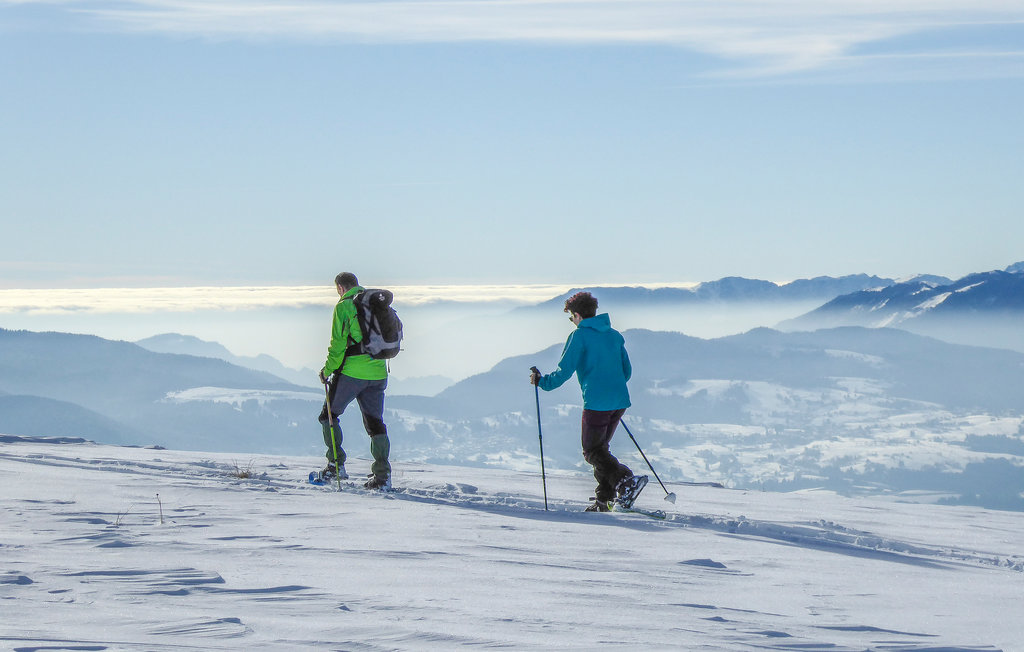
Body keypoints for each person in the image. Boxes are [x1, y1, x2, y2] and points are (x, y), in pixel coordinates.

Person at [530, 291, 647, 511]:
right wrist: (611, 387)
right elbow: (627, 371)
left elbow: (563, 372)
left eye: (571, 317)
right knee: (601, 450)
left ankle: (626, 481)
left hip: (596, 402)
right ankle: (604, 500)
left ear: (577, 315)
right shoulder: (613, 335)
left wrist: (541, 382)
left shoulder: (579, 336)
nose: (572, 322)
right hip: (619, 401)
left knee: (592, 452)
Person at [318, 272, 392, 490]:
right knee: (375, 423)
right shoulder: (374, 304)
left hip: (352, 373)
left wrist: (327, 371)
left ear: (340, 288)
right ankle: (382, 476)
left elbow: (338, 345)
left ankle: (335, 466)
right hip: (379, 373)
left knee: (328, 415)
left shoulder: (344, 306)